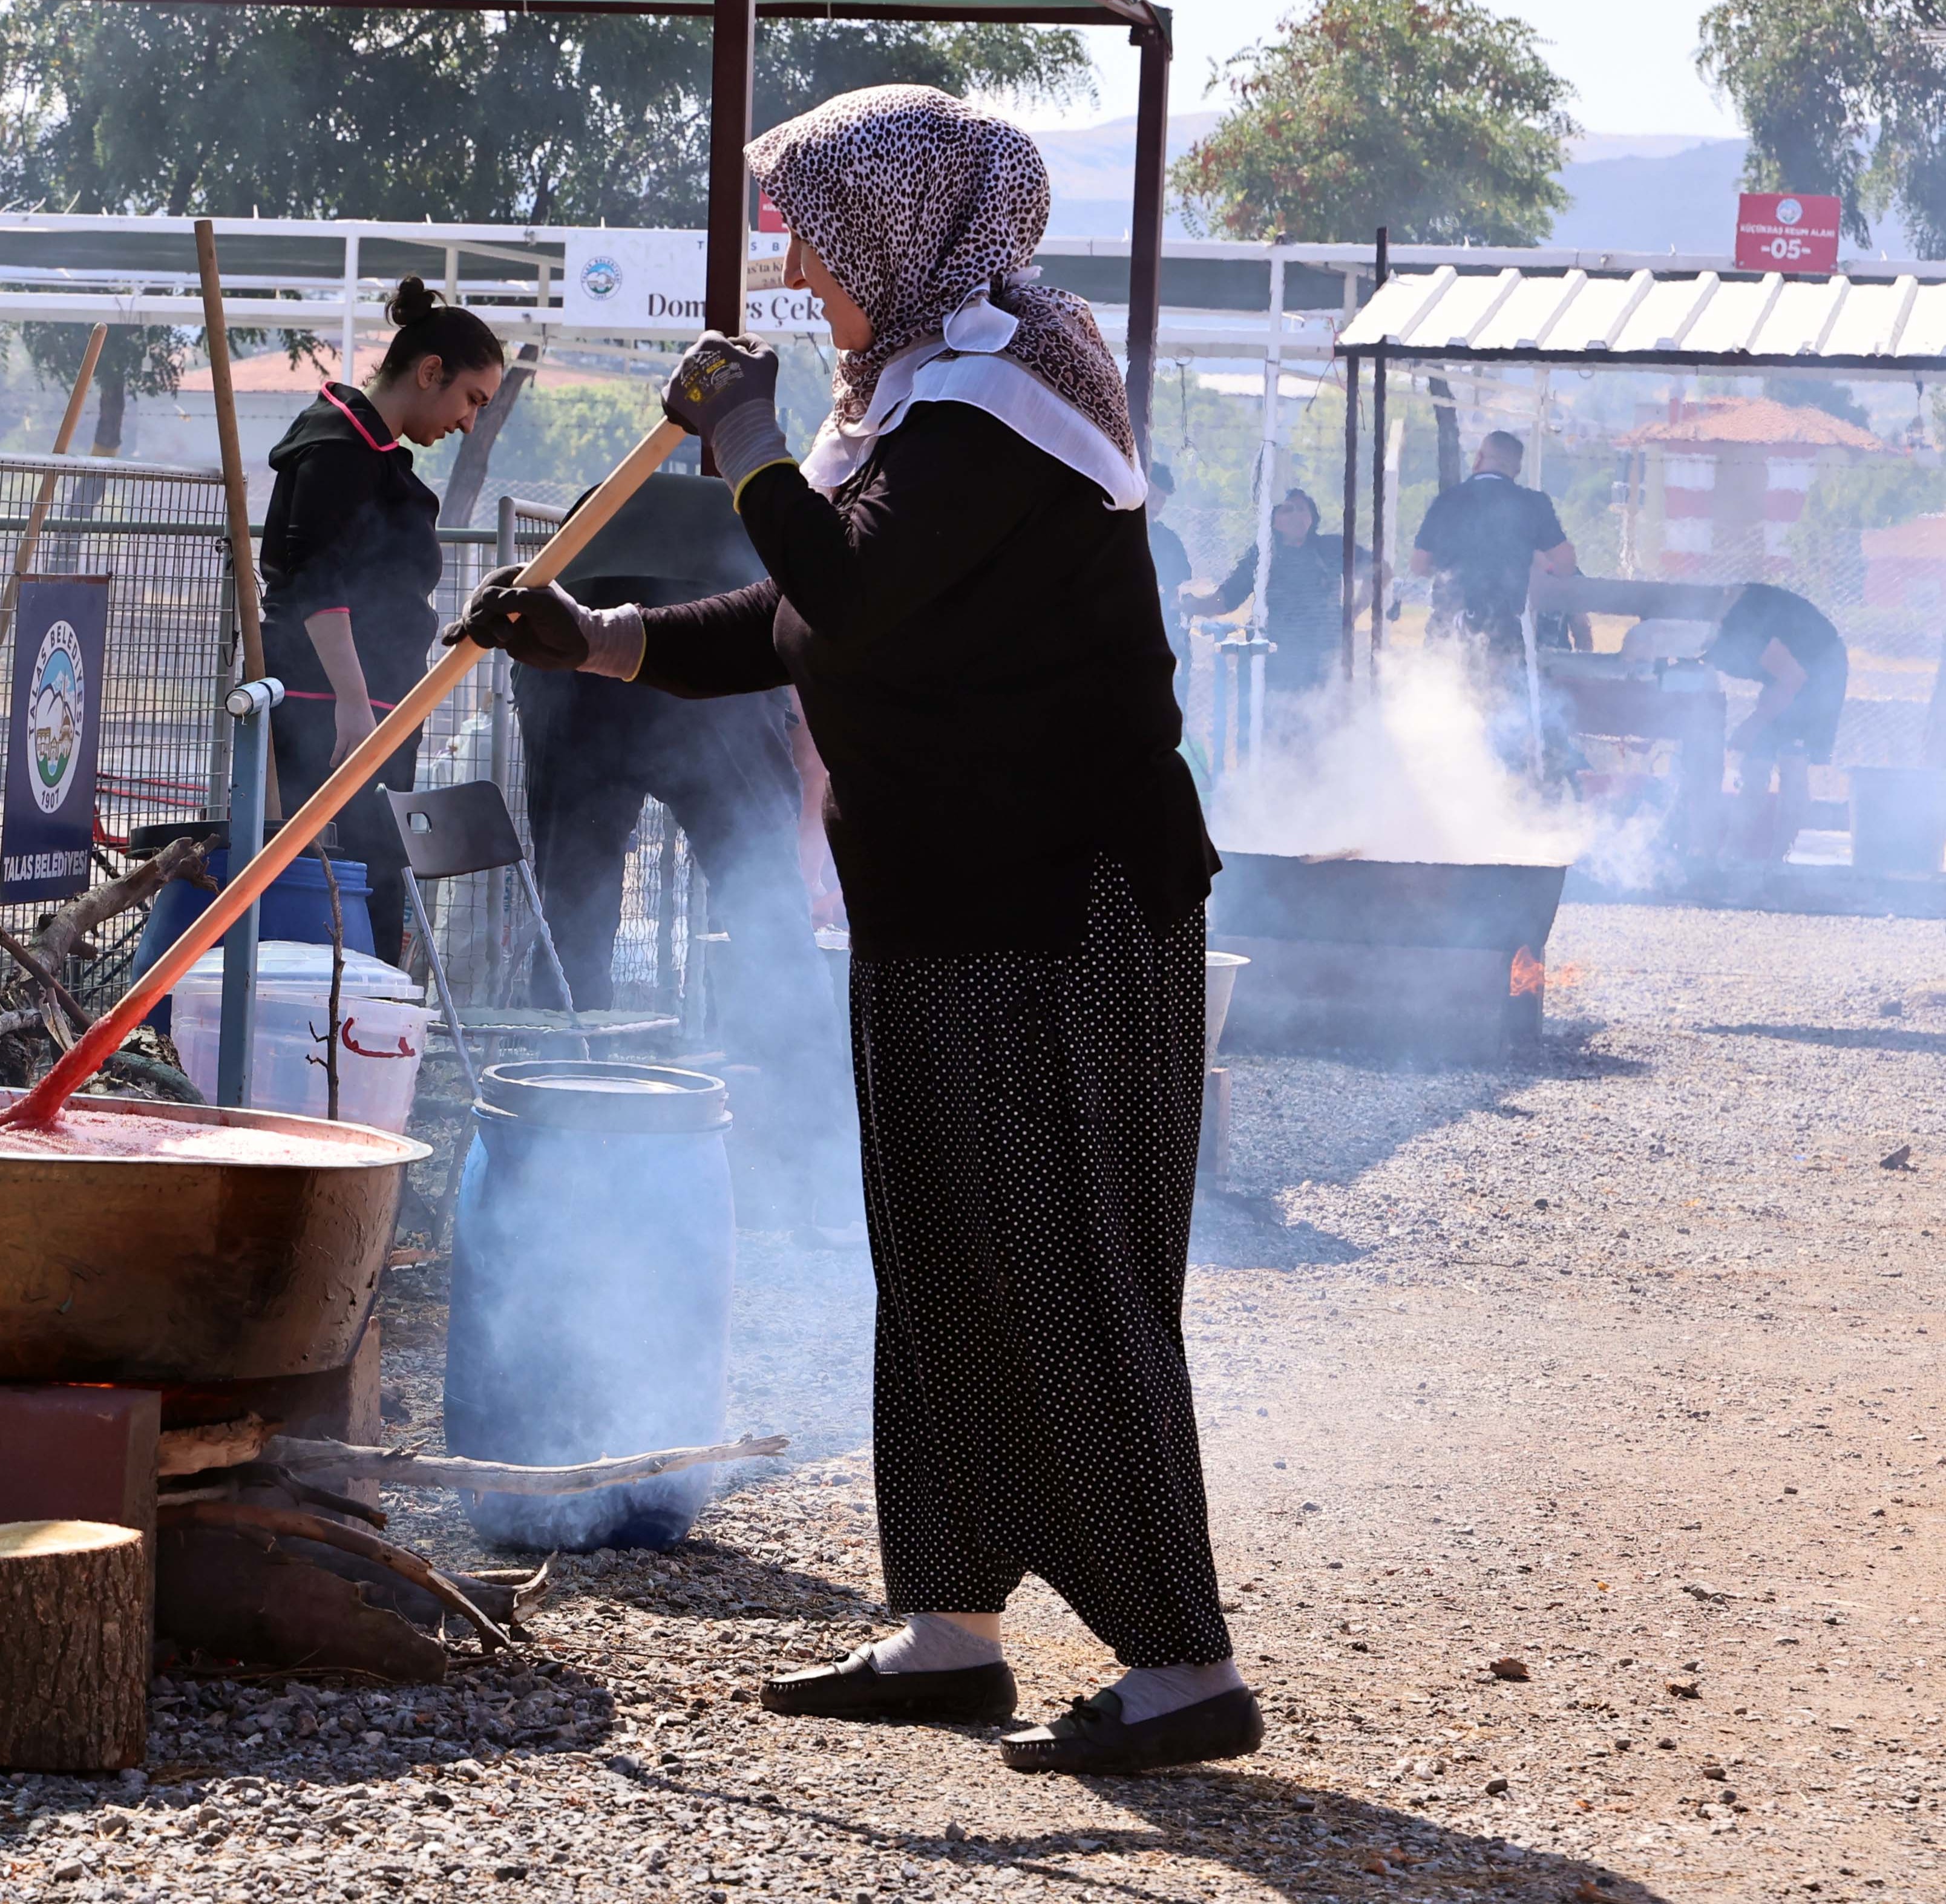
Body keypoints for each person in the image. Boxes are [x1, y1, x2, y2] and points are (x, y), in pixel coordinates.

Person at [456, 85, 1253, 1776]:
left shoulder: (1007, 400)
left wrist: (742, 443)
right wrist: (599, 641)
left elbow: (852, 588)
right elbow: (803, 614)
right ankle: (952, 1628)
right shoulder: (916, 408)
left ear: (899, 226)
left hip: (1060, 902)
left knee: (1064, 1268)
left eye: (814, 230)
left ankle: (1183, 1662)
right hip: (945, 897)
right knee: (947, 1255)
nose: (796, 266)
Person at [510, 465, 853, 1224]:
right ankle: (819, 1167)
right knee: (769, 922)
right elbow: (809, 699)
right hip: (702, 663)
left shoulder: (725, 518)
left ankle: (555, 1149)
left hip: (576, 656)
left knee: (573, 910)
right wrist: (798, 843)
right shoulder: (791, 530)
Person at [256, 278, 509, 954]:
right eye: (470, 399)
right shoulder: (337, 446)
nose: (467, 422)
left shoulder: (369, 451)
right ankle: (342, 1028)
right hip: (328, 706)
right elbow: (316, 577)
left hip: (372, 705)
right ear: (431, 372)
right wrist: (349, 700)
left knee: (376, 874)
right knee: (344, 877)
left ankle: (369, 1027)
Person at [1702, 581, 1849, 862]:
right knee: (1758, 758)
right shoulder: (1706, 638)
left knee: (1793, 761)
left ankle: (1777, 861)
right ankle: (1732, 854)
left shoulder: (1735, 625)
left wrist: (1753, 723)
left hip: (1819, 671)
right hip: (1788, 675)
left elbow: (1793, 677)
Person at [1410, 430, 1576, 668]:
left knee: (1442, 697)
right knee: (1502, 701)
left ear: (1478, 459)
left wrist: (1452, 570)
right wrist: (1533, 562)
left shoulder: (1447, 500)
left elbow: (1419, 565)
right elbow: (1565, 564)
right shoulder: (1533, 503)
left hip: (1447, 627)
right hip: (1503, 632)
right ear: (1516, 471)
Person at [1187, 487, 1349, 701]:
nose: (1296, 516)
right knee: (1278, 725)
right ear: (1273, 521)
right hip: (1277, 661)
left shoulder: (1331, 548)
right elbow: (1227, 599)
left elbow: (1379, 572)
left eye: (1302, 509)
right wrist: (1192, 606)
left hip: (1327, 657)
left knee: (1326, 724)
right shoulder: (1262, 555)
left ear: (1312, 516)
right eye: (1287, 510)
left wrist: (1351, 613)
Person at [1142, 461, 1192, 661]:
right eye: (1152, 497)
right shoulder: (1114, 534)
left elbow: (1182, 586)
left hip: (1161, 632)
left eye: (1162, 500)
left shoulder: (1169, 541)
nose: (1156, 506)